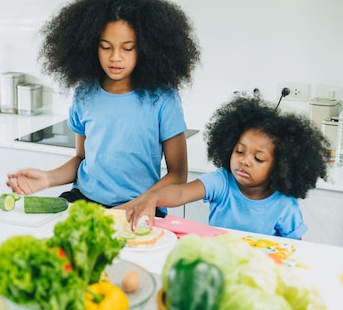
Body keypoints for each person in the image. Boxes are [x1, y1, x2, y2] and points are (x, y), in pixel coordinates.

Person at [6, 0, 200, 214]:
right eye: (106, 47)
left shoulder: (162, 99)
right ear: (91, 46)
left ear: (146, 49)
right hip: (84, 201)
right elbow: (81, 158)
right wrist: (47, 179)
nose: (115, 57)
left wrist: (132, 207)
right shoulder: (85, 94)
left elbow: (178, 174)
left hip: (141, 207)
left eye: (127, 48)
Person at [126, 97, 330, 239]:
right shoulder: (222, 181)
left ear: (281, 166)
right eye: (239, 152)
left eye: (258, 158)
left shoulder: (285, 205)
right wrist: (153, 197)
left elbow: (296, 249)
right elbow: (180, 193)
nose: (245, 161)